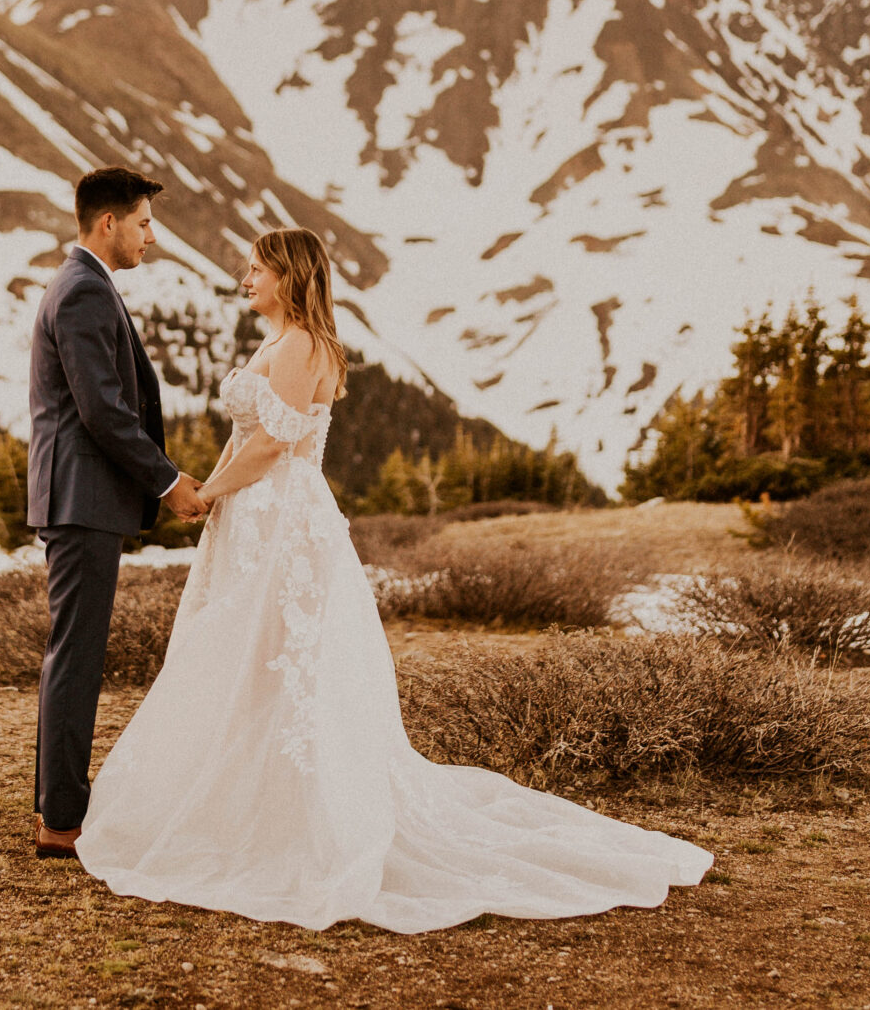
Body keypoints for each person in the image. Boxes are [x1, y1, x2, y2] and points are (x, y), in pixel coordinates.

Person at [72, 227, 711, 931]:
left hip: (281, 518)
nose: (244, 275)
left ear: (290, 276)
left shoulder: (303, 346)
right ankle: (248, 801)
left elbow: (269, 445)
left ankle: (293, 814)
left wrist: (206, 493)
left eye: (257, 268)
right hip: (259, 520)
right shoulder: (284, 340)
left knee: (282, 660)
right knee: (249, 659)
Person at [26, 165, 209, 859]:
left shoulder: (83, 285)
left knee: (72, 654)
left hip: (81, 497)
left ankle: (58, 804)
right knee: (75, 656)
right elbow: (102, 409)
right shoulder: (81, 291)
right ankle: (61, 820)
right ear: (109, 223)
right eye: (142, 223)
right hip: (82, 498)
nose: (150, 237)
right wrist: (167, 482)